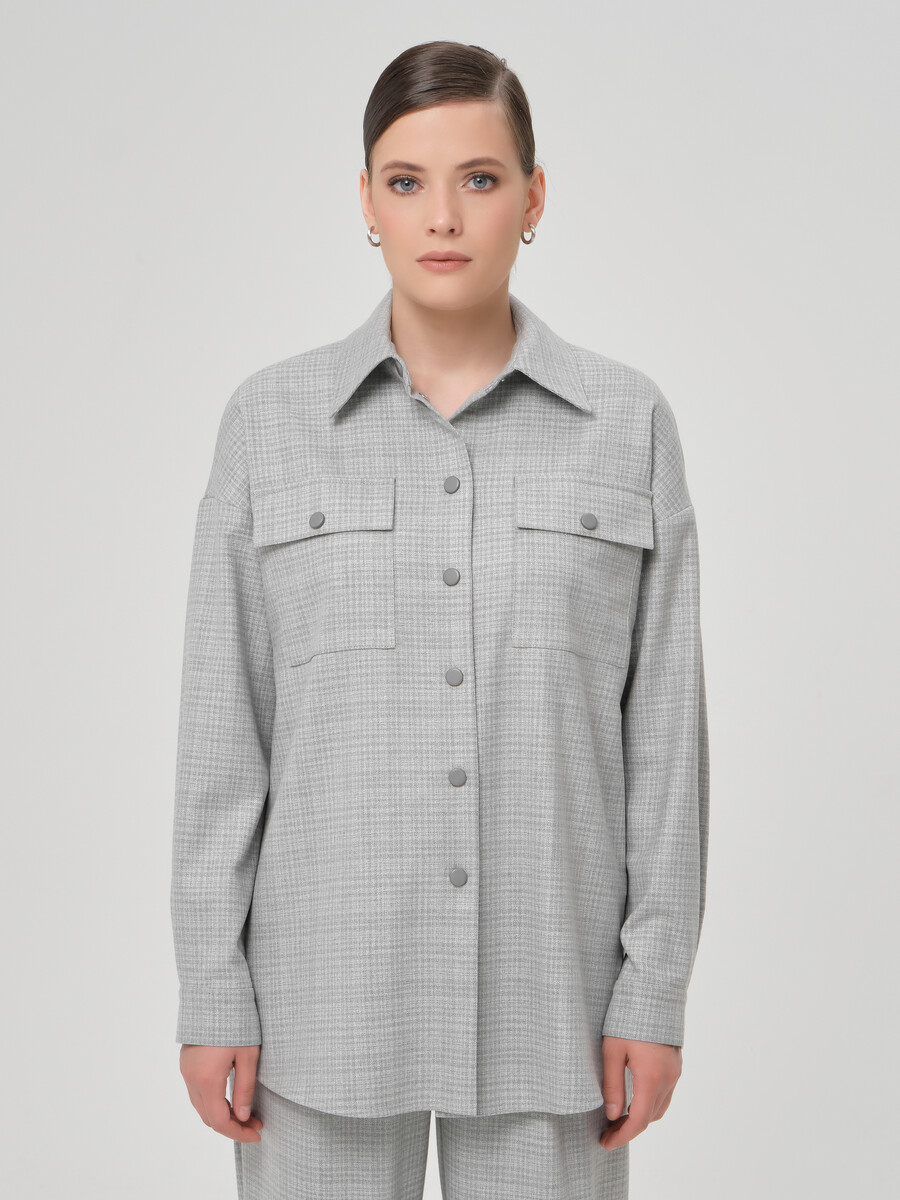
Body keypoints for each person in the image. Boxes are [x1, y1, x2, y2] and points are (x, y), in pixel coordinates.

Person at [170, 39, 710, 1200]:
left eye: (480, 178)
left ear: (534, 197)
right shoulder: (269, 424)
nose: (444, 216)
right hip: (319, 1010)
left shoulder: (627, 424)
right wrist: (214, 988)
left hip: (554, 1006)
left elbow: (665, 740)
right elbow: (224, 736)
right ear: (367, 202)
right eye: (408, 181)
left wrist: (653, 988)